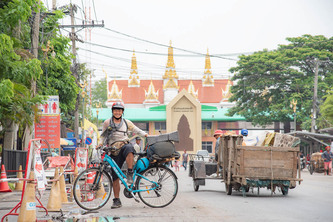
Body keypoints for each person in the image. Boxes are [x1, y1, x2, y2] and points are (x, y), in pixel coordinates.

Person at [100, 102, 148, 209]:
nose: (117, 112)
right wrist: (99, 144)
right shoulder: (107, 123)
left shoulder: (126, 122)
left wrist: (146, 135)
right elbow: (102, 136)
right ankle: (117, 200)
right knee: (115, 177)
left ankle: (130, 172)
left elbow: (137, 130)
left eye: (119, 110)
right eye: (115, 110)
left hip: (124, 147)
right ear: (112, 111)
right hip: (113, 150)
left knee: (129, 148)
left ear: (122, 112)